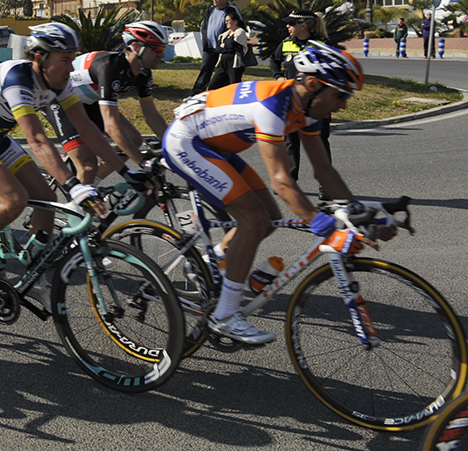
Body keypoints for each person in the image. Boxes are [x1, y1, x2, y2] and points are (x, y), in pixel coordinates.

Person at [163, 43, 380, 344]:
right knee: (253, 218)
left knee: (268, 219)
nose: (344, 104)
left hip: (216, 147)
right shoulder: (274, 103)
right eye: (341, 95)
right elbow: (280, 181)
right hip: (187, 142)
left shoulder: (308, 108)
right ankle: (224, 316)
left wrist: (362, 213)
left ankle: (207, 262)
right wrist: (323, 226)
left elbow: (324, 171)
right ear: (315, 85)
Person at [0, 22, 154, 307]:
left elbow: (89, 130)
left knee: (45, 199)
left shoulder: (60, 83)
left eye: (72, 59)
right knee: (14, 199)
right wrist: (74, 186)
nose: (71, 67)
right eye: (65, 60)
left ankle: (34, 272)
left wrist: (126, 171)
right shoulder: (18, 79)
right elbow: (38, 139)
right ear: (40, 58)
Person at [42, 21, 170, 187]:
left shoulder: (143, 73)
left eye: (163, 49)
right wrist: (142, 162)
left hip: (88, 101)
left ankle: (92, 185)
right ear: (136, 48)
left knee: (133, 139)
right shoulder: (110, 67)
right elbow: (111, 126)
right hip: (57, 99)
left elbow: (152, 116)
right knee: (88, 165)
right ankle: (80, 205)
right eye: (157, 49)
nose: (162, 55)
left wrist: (175, 146)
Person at [268, 9, 332, 185]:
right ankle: (290, 181)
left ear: (303, 25)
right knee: (290, 143)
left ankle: (326, 186)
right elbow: (274, 60)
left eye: (291, 23)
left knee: (320, 145)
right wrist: (278, 76)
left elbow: (333, 71)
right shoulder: (287, 43)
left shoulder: (322, 44)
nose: (287, 26)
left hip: (317, 103)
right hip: (292, 102)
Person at [192, 0, 240, 94]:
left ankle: (225, 93)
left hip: (223, 48)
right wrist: (205, 39)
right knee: (205, 69)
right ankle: (197, 93)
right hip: (209, 47)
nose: (214, 0)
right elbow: (204, 25)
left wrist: (228, 41)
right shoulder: (210, 9)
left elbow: (237, 26)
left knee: (223, 72)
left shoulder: (231, 10)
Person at [207, 10, 250, 90]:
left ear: (235, 21)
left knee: (234, 85)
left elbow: (233, 45)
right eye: (225, 21)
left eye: (228, 21)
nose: (226, 22)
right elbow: (218, 48)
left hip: (234, 64)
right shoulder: (225, 34)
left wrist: (225, 46)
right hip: (223, 64)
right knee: (213, 84)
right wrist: (226, 47)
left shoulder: (240, 33)